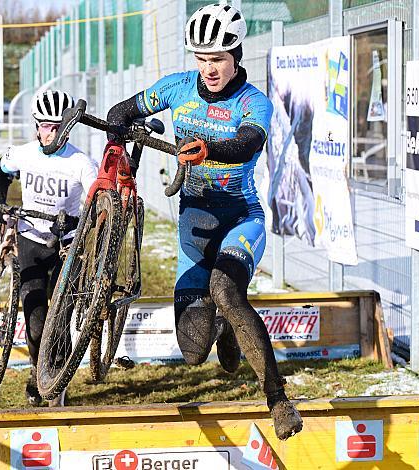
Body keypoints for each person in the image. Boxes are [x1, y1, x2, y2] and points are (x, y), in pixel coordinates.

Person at [106, 4, 303, 440]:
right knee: (194, 352)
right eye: (202, 59)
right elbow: (123, 110)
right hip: (194, 228)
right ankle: (228, 325)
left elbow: (246, 141)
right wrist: (116, 137)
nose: (209, 69)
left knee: (226, 291)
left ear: (236, 56)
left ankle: (278, 400)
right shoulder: (177, 88)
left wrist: (208, 147)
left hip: (240, 218)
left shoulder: (254, 102)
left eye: (217, 59)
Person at [0, 89, 98, 407]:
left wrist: (92, 218)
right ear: (36, 125)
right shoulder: (23, 154)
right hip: (31, 239)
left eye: (56, 126)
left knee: (61, 318)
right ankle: (39, 372)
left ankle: (56, 383)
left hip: (68, 244)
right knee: (35, 317)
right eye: (43, 126)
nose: (48, 133)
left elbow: (98, 198)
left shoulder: (81, 163)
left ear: (67, 126)